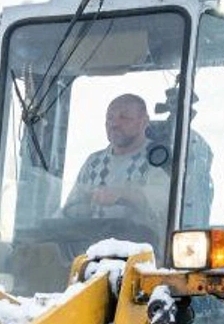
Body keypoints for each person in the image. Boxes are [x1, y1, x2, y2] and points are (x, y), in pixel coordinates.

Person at [61, 93, 170, 231]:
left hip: (142, 247)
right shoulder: (94, 162)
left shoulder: (158, 158)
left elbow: (161, 203)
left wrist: (122, 194)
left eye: (124, 117)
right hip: (92, 245)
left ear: (144, 122)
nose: (114, 124)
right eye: (110, 118)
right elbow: (71, 209)